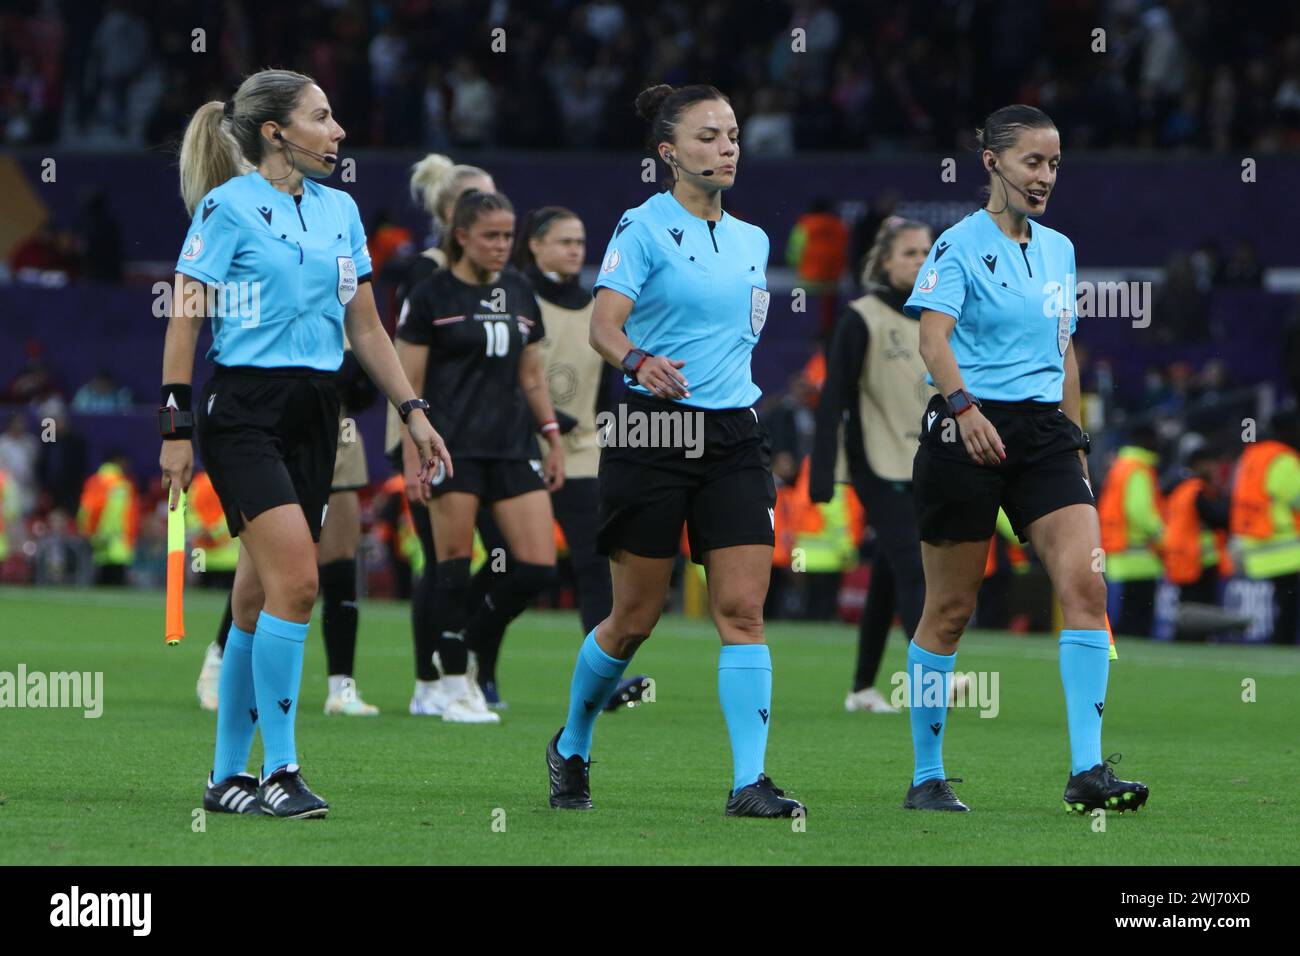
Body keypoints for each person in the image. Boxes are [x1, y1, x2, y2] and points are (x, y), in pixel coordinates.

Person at [161, 69, 448, 819]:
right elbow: (186, 317)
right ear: (275, 132)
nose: (338, 131)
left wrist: (413, 410)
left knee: (257, 597)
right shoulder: (226, 209)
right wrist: (174, 427)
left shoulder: (342, 212)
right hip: (245, 410)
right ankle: (282, 769)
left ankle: (228, 779)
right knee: (299, 585)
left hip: (319, 411)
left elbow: (367, 329)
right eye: (323, 117)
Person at [546, 83, 805, 818]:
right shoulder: (644, 226)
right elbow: (603, 325)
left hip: (731, 434)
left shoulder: (753, 239)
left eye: (731, 134)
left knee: (743, 612)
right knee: (633, 619)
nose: (727, 147)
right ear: (669, 153)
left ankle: (749, 782)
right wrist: (637, 362)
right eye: (708, 137)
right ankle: (573, 742)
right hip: (652, 430)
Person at [905, 105, 1148, 814]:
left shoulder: (1060, 250)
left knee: (1087, 589)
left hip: (1044, 434)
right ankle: (927, 776)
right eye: (1032, 162)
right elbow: (933, 341)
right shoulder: (954, 246)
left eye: (1053, 164)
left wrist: (1073, 437)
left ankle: (1086, 770)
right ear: (992, 162)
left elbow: (1064, 350)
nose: (1044, 177)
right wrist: (963, 407)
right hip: (966, 427)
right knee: (949, 609)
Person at [395, 189, 562, 724]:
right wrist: (409, 462)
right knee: (450, 568)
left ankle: (464, 644)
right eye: (490, 235)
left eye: (507, 236)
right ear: (461, 236)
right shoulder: (431, 296)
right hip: (452, 448)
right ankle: (450, 686)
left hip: (512, 447)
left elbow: (531, 375)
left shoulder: (519, 290)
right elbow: (409, 387)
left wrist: (552, 435)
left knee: (536, 566)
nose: (501, 245)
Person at [384, 154, 503, 710]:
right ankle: (430, 681)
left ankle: (461, 666)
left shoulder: (494, 278)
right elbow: (407, 362)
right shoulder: (427, 273)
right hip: (424, 429)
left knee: (498, 560)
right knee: (440, 560)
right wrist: (409, 440)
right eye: (479, 199)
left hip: (478, 437)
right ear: (453, 215)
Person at [810, 216, 934, 714]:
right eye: (910, 254)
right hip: (875, 461)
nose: (921, 262)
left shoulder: (937, 317)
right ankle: (932, 679)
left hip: (923, 462)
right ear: (884, 262)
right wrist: (821, 470)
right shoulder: (861, 316)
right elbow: (833, 394)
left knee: (888, 572)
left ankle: (862, 689)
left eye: (928, 253)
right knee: (913, 564)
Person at [1228, 412, 1300, 645]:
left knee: (1285, 600)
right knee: (1289, 602)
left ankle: (1281, 640)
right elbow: (1296, 497)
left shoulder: (1250, 456)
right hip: (1286, 548)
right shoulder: (1283, 459)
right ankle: (1283, 642)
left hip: (1255, 545)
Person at [1097, 425, 1164, 638]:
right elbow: (1138, 510)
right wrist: (1162, 533)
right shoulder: (1138, 469)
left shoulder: (1120, 466)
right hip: (1138, 561)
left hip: (1119, 555)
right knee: (1137, 627)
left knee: (1123, 625)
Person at [77, 450, 138, 586]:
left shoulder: (94, 481)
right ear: (117, 461)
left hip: (100, 539)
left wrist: (89, 531)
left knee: (101, 582)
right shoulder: (123, 484)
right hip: (118, 540)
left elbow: (88, 510)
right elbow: (129, 515)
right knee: (116, 584)